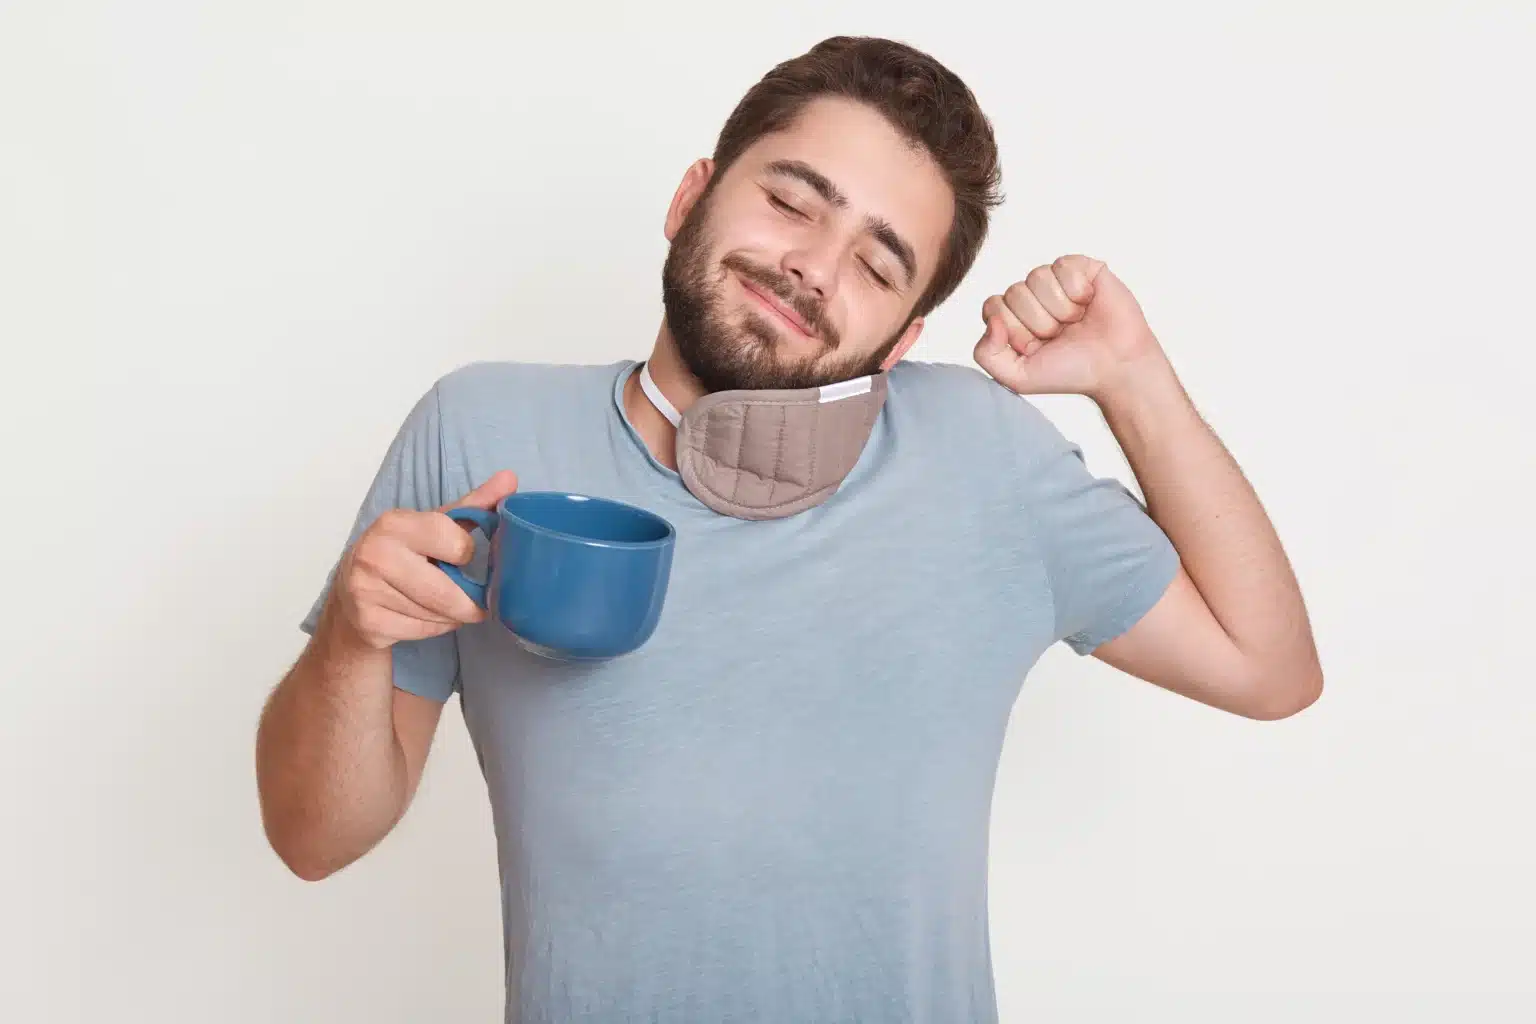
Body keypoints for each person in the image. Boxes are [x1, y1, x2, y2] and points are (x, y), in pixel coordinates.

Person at [255, 35, 1322, 1023]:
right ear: (692, 196)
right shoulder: (483, 430)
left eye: (878, 261)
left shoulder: (984, 457)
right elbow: (312, 837)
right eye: (793, 200)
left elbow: (1269, 668)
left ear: (902, 340)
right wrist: (354, 640)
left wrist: (1133, 378)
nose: (815, 264)